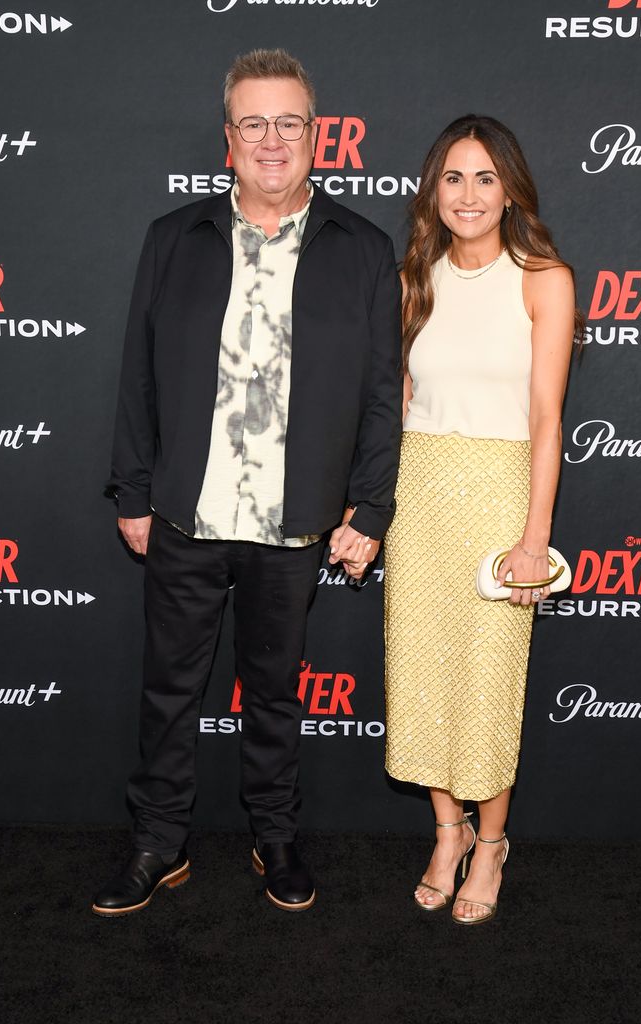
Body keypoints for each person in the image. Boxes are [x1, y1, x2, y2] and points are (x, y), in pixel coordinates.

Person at [93, 49, 402, 916]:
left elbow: (383, 395)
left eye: (290, 123)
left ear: (317, 136)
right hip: (186, 514)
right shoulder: (173, 238)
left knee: (274, 693)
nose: (274, 140)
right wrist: (134, 492)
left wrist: (371, 506)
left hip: (297, 521)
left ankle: (274, 837)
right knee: (168, 692)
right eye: (255, 124)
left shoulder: (364, 250)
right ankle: (159, 842)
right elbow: (137, 379)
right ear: (229, 140)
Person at [383, 115, 580, 925]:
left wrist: (533, 537)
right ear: (434, 189)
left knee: (487, 681)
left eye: (485, 179)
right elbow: (396, 404)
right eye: (453, 178)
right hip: (417, 490)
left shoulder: (542, 277)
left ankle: (492, 843)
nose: (467, 195)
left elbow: (546, 416)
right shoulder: (413, 275)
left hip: (500, 492)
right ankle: (447, 830)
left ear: (509, 191)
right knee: (420, 672)